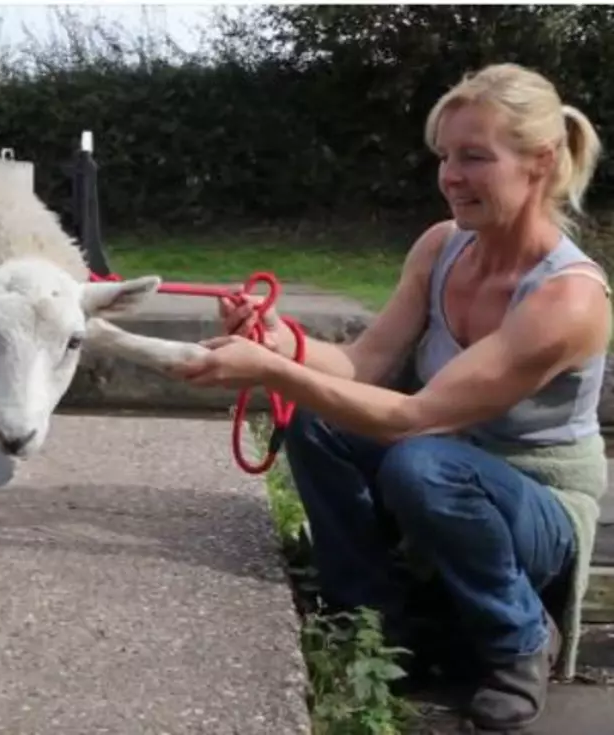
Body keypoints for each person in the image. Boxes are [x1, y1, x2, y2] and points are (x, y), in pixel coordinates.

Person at [172, 62, 611, 731]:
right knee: (320, 416)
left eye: (474, 157)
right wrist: (277, 339)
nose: (450, 176)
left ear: (541, 162)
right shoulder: (441, 246)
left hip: (539, 503)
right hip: (445, 461)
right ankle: (374, 616)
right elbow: (360, 363)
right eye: (444, 156)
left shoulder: (569, 298)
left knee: (421, 461)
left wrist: (268, 367)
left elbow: (414, 416)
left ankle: (518, 640)